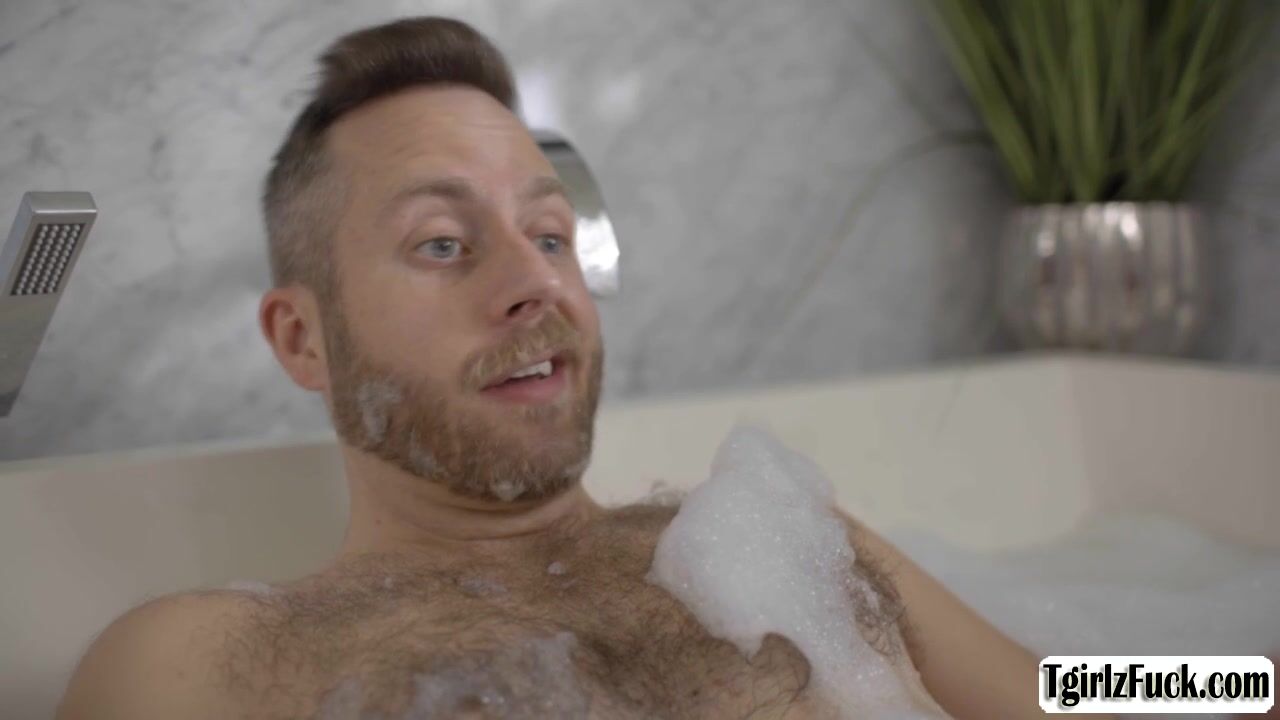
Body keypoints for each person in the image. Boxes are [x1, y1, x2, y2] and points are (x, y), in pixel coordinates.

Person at [56, 17, 1103, 720]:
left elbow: (1091, 696)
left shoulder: (796, 547)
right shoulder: (200, 662)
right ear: (302, 340)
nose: (536, 284)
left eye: (550, 235)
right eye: (442, 244)